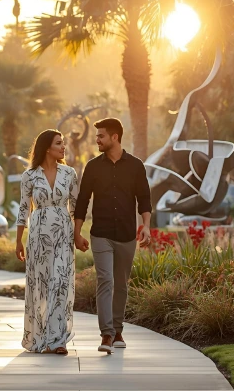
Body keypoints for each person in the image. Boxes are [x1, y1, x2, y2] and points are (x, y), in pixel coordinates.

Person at [73, 118, 152, 354]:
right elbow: (83, 200)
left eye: (101, 136)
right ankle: (106, 334)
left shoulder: (136, 166)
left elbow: (144, 198)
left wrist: (146, 226)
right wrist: (77, 232)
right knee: (105, 280)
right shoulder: (93, 167)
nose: (97, 140)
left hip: (127, 234)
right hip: (101, 234)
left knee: (121, 284)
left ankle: (118, 330)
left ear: (114, 137)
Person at [16, 129, 79, 356]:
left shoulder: (69, 173)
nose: (63, 147)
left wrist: (78, 234)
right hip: (38, 236)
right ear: (47, 148)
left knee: (60, 283)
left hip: (63, 234)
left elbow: (77, 207)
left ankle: (58, 340)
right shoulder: (30, 176)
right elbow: (24, 209)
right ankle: (40, 337)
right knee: (41, 286)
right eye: (59, 143)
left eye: (63, 143)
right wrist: (18, 241)